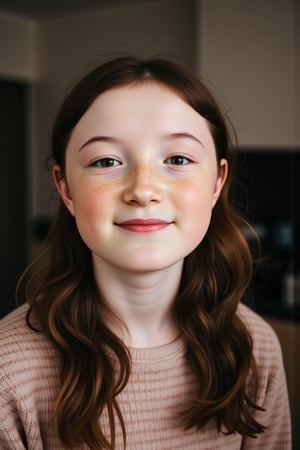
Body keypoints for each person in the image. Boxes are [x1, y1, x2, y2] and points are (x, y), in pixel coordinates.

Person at [0, 56, 291, 450]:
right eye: (106, 161)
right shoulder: (8, 371)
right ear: (66, 188)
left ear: (217, 182)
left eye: (178, 159)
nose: (143, 189)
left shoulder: (254, 345)